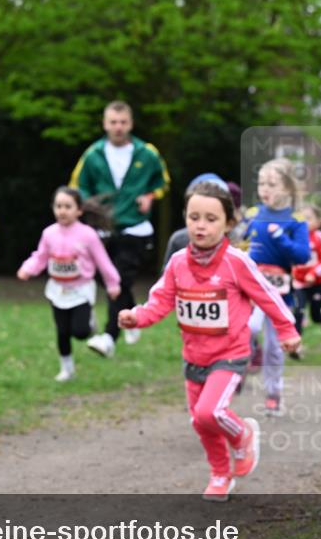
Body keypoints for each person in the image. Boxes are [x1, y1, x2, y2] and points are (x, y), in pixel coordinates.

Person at [118, 181, 299, 501]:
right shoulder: (177, 263)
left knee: (209, 413)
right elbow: (160, 302)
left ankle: (243, 434)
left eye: (211, 219)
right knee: (201, 422)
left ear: (229, 223)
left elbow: (268, 296)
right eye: (194, 217)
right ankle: (220, 474)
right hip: (194, 356)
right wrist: (137, 317)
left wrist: (286, 330)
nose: (200, 226)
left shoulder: (236, 263)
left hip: (230, 353)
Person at [69, 100, 170, 356]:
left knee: (119, 279)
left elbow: (163, 181)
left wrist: (150, 197)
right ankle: (133, 314)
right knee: (109, 281)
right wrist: (91, 206)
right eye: (113, 122)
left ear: (131, 124)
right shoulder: (92, 155)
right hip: (104, 230)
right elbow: (78, 186)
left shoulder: (147, 153)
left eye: (123, 122)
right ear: (105, 123)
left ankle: (109, 337)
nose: (118, 127)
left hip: (135, 229)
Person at [18, 187, 121, 381]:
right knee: (62, 332)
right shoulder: (49, 233)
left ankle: (89, 323)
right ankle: (67, 369)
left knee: (80, 332)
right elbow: (40, 257)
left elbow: (102, 261)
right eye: (58, 206)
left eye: (67, 206)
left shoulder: (88, 235)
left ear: (79, 210)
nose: (62, 211)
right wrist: (27, 269)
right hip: (57, 290)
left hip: (81, 290)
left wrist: (113, 284)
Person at [243, 158, 309, 414]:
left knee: (275, 345)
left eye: (272, 184)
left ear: (288, 189)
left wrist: (281, 238)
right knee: (249, 327)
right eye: (261, 183)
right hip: (252, 287)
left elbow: (302, 255)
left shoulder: (296, 219)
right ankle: (251, 356)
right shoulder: (252, 214)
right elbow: (237, 244)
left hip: (280, 290)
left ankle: (273, 393)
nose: (265, 189)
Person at [291, 204, 321, 347]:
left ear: (318, 221)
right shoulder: (295, 237)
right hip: (299, 283)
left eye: (308, 218)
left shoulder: (320, 238)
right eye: (301, 218)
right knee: (298, 311)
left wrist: (314, 273)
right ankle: (297, 345)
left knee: (315, 316)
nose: (304, 221)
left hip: (317, 284)